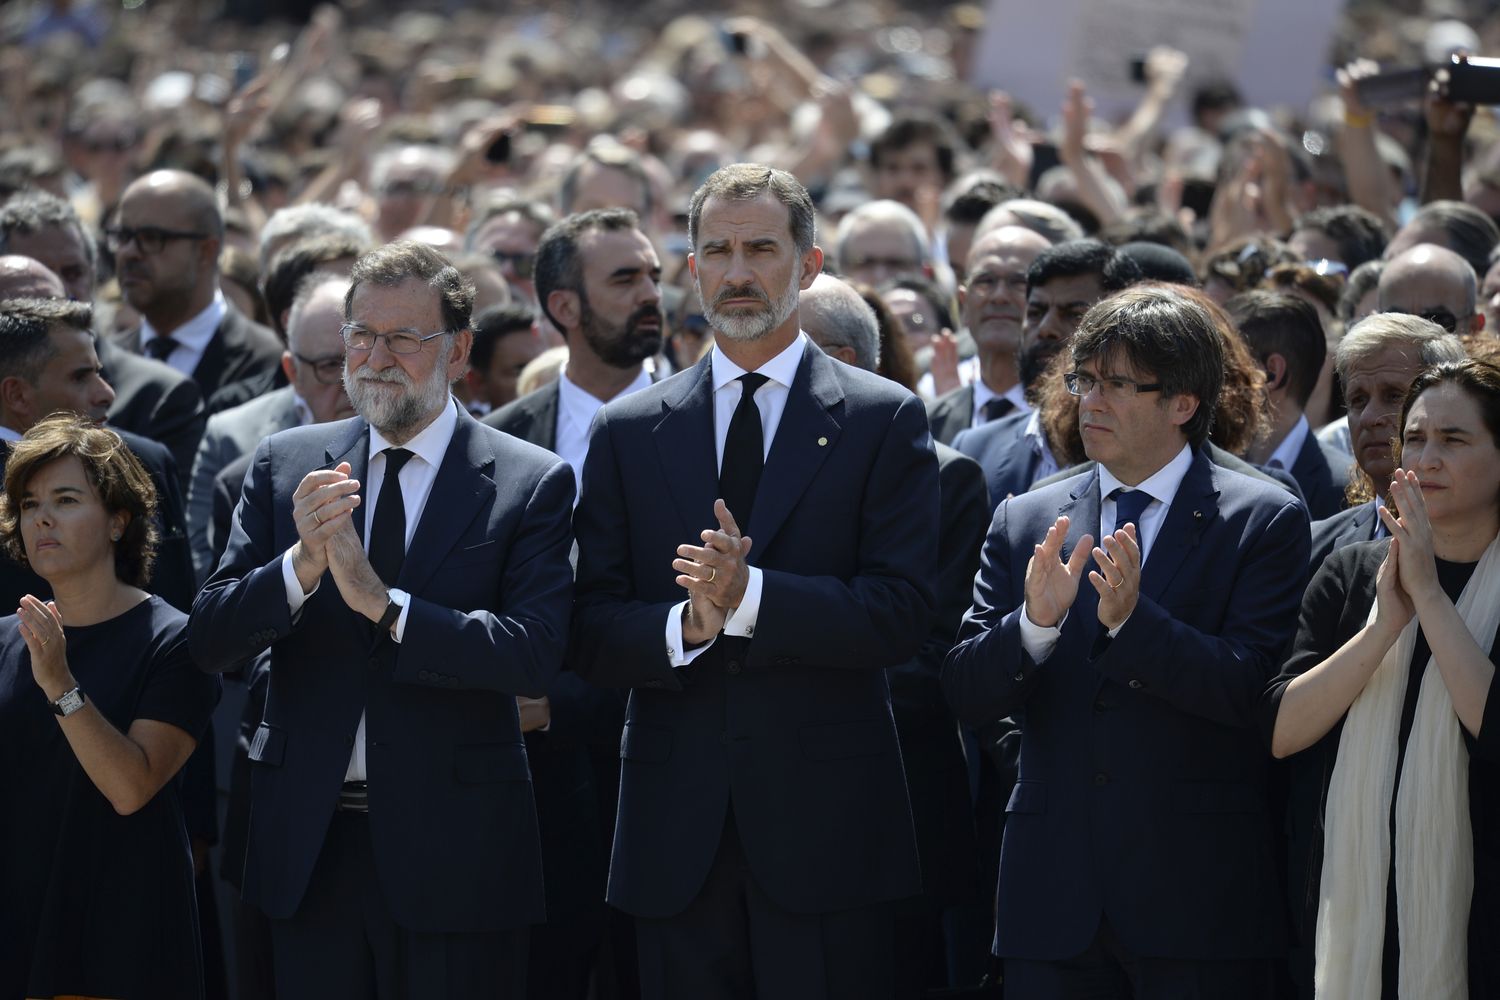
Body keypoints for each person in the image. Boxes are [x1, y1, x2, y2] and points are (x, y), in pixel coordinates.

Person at [569, 163, 938, 999]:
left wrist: (752, 599)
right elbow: (588, 626)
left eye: (761, 249)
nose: (738, 273)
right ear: (691, 269)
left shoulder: (881, 420)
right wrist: (687, 628)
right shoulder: (630, 430)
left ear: (808, 267)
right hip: (675, 843)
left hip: (829, 839)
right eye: (718, 251)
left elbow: (903, 613)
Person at [188, 241, 576, 998]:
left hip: (456, 855)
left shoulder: (529, 481)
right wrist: (299, 568)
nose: (373, 357)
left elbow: (532, 655)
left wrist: (384, 604)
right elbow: (210, 640)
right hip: (307, 848)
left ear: (459, 350)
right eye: (361, 335)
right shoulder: (283, 464)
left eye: (404, 338)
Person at [942, 285, 1310, 997]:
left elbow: (1253, 693)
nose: (1091, 402)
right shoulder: (1026, 518)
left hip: (1197, 904)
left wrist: (1134, 625)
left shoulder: (1262, 518)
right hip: (1051, 901)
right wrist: (1034, 627)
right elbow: (964, 690)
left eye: (1117, 385)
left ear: (1182, 404)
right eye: (1084, 380)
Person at [1264, 358, 1500, 998]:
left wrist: (1428, 592)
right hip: (1349, 924)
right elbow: (1283, 731)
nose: (1425, 459)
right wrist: (1379, 630)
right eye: (1416, 438)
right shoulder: (1350, 574)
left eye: (1453, 441)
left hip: (1480, 936)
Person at [801, 271, 990, 992]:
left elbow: (932, 658)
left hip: (895, 816)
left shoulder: (948, 479)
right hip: (769, 815)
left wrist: (779, 654)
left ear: (848, 361)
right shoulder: (740, 467)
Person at [0, 413, 219, 998]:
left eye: (66, 499)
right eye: (27, 504)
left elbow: (130, 787)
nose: (41, 518)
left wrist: (59, 683)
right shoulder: (4, 639)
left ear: (118, 520)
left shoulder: (175, 641)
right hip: (18, 928)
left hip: (116, 936)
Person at [0, 295, 197, 614]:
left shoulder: (143, 461)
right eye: (80, 377)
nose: (106, 393)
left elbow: (183, 612)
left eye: (98, 372)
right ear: (18, 395)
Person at [0, 190, 207, 479]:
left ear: (94, 275)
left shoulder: (157, 403)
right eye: (38, 275)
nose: (58, 293)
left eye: (72, 273)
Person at [187, 272, 353, 582]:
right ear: (293, 372)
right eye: (330, 366)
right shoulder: (235, 454)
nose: (351, 382)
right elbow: (213, 590)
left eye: (360, 359)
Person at [483, 208, 663, 490]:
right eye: (625, 281)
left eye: (654, 278)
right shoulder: (499, 440)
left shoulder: (703, 425)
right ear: (565, 308)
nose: (651, 294)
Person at [953, 239, 1141, 505]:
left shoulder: (1143, 452)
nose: (1046, 328)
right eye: (1035, 312)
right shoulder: (974, 449)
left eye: (1073, 314)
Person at [107, 170, 282, 404]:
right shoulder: (102, 364)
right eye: (122, 236)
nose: (129, 252)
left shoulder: (269, 362)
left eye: (151, 238)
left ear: (206, 251)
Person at [1308, 314, 1465, 570]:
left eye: (1393, 396)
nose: (1370, 418)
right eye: (1358, 399)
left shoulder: (1486, 549)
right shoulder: (1315, 546)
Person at [1229, 291, 1354, 520]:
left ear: (1271, 373)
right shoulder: (1204, 464)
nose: (1216, 377)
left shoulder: (1345, 492)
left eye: (1230, 361)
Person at [927, 225, 1051, 444]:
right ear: (963, 303)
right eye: (985, 281)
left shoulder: (1070, 420)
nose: (999, 296)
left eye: (1019, 283)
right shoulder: (929, 422)